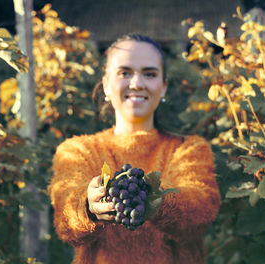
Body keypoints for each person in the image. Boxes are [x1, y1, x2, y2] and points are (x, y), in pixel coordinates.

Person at [48, 34, 221, 264]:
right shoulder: (76, 150)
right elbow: (65, 221)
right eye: (124, 72)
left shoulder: (189, 149)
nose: (137, 83)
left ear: (163, 87)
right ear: (106, 85)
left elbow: (199, 214)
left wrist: (153, 198)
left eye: (149, 74)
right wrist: (87, 205)